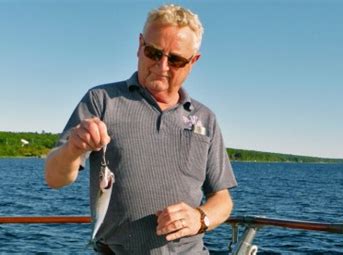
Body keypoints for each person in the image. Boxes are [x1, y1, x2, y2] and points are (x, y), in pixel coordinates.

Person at [45, 4, 237, 254]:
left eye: (176, 59)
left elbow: (222, 200)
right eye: (153, 52)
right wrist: (72, 148)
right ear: (139, 45)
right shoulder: (101, 100)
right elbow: (55, 178)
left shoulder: (205, 118)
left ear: (193, 61)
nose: (163, 66)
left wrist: (199, 218)